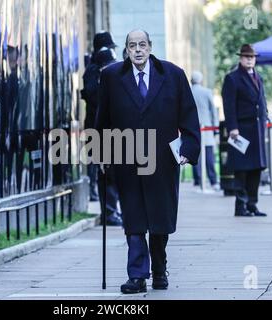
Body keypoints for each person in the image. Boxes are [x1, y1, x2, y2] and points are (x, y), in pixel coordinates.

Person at [96, 30, 200, 294]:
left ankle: (159, 268)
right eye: (133, 46)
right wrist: (102, 155)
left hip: (163, 159)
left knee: (159, 217)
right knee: (133, 217)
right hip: (127, 159)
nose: (138, 50)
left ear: (150, 47)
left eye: (142, 45)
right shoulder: (111, 76)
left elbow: (188, 115)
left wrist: (188, 147)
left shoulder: (172, 74)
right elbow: (103, 120)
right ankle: (137, 275)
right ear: (127, 50)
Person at [222, 44, 268, 217]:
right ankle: (240, 206)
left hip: (256, 130)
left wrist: (265, 119)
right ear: (240, 58)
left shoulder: (259, 77)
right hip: (241, 131)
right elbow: (229, 106)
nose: (250, 59)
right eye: (247, 57)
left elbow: (261, 100)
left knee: (256, 169)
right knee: (241, 169)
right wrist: (232, 127)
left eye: (252, 57)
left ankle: (252, 204)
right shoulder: (232, 78)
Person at [81, 32, 122, 227]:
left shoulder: (100, 72)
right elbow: (95, 99)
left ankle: (112, 209)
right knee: (107, 172)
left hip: (109, 130)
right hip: (100, 131)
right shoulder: (94, 73)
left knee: (113, 172)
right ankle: (109, 211)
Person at [190, 71, 220, 190]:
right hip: (207, 127)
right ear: (201, 81)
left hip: (192, 127)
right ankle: (213, 180)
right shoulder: (207, 92)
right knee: (209, 155)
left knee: (194, 154)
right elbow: (213, 111)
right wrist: (215, 127)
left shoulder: (188, 91)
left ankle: (197, 180)